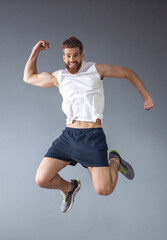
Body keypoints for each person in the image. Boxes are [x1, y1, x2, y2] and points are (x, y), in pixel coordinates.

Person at [23, 36, 154, 213]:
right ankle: (69, 188)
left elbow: (127, 73)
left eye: (75, 55)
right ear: (63, 57)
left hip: (92, 137)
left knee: (104, 190)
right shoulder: (58, 77)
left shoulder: (96, 70)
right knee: (41, 179)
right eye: (68, 56)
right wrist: (35, 51)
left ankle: (114, 160)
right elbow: (29, 77)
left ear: (82, 56)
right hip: (69, 137)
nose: (72, 60)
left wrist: (146, 96)